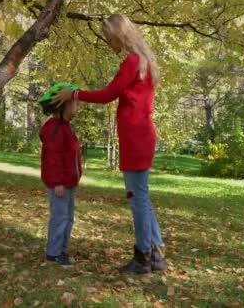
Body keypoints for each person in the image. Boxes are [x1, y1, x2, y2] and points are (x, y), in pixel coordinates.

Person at [52, 14, 167, 274]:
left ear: (119, 35)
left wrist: (75, 94)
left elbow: (107, 95)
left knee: (137, 198)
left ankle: (143, 258)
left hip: (135, 138)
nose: (108, 42)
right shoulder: (144, 62)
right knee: (143, 197)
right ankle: (157, 255)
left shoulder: (132, 63)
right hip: (141, 135)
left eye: (109, 37)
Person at [39, 83, 82, 267]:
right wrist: (57, 182)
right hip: (60, 185)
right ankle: (53, 254)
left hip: (68, 183)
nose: (77, 107)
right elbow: (53, 158)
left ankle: (61, 250)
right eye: (75, 103)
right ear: (63, 105)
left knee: (68, 218)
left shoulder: (65, 127)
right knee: (59, 218)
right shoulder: (55, 129)